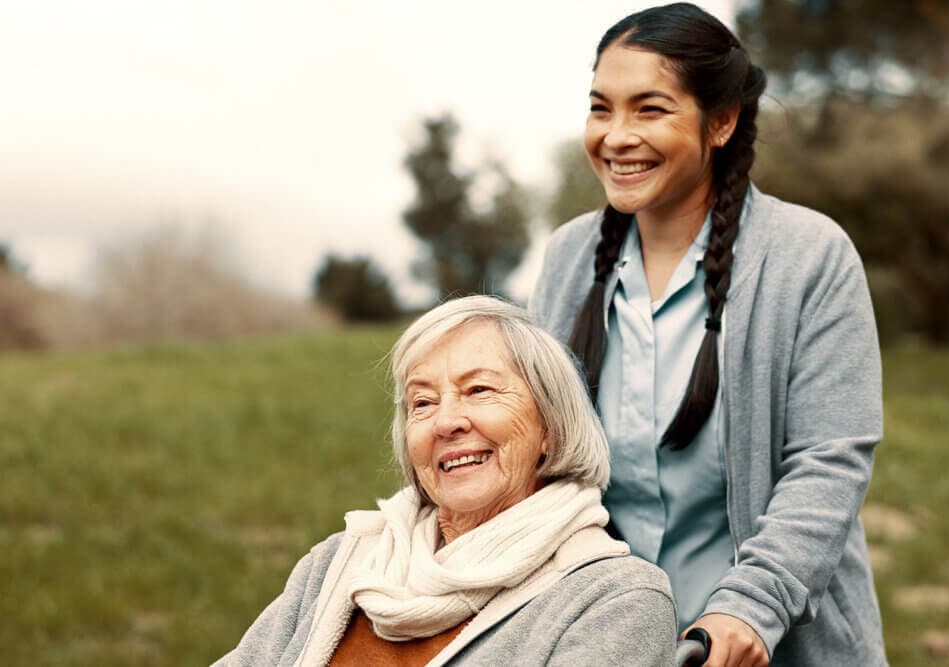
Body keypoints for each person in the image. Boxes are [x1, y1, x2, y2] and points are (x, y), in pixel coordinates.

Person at [529, 4, 886, 666]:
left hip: (768, 643)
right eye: (601, 108)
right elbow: (536, 448)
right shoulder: (569, 259)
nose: (616, 135)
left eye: (650, 109)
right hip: (605, 640)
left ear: (721, 121)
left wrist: (748, 606)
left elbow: (828, 463)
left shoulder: (809, 255)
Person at [215, 296, 677, 666]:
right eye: (422, 403)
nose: (446, 422)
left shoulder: (614, 600)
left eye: (479, 390)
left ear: (551, 428)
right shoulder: (340, 561)